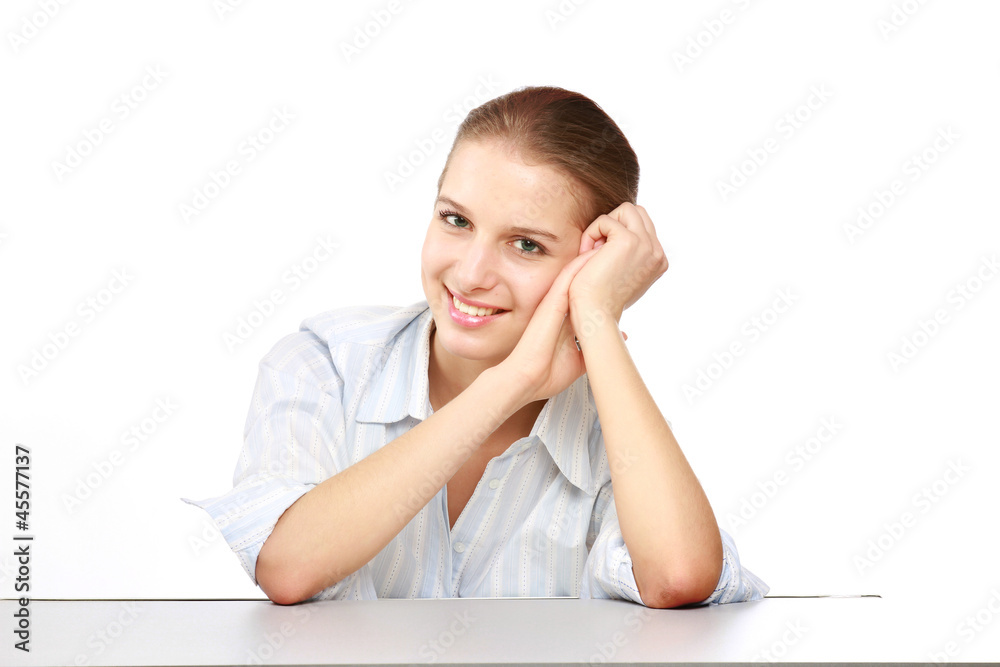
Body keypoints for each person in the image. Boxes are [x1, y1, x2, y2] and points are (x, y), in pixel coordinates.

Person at [183, 86, 768, 608]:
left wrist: (596, 313)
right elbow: (287, 567)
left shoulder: (610, 427)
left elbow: (678, 576)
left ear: (593, 261)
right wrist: (510, 382)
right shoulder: (325, 366)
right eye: (456, 220)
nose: (470, 273)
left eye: (526, 244)